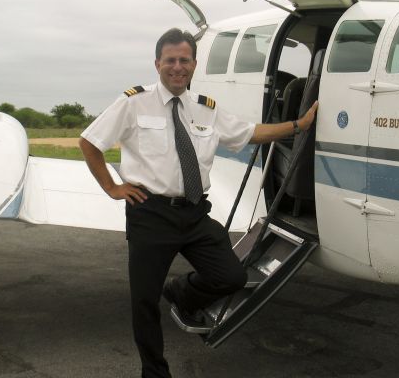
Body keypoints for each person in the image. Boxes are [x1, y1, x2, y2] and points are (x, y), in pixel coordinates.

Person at [79, 28, 318, 378]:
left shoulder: (206, 109)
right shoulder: (134, 101)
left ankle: (182, 292)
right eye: (170, 60)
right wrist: (113, 187)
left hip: (194, 214)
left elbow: (251, 132)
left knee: (232, 276)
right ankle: (155, 373)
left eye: (184, 60)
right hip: (151, 214)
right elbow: (90, 142)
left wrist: (298, 124)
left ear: (194, 64)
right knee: (144, 302)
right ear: (158, 63)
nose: (178, 67)